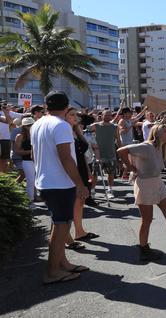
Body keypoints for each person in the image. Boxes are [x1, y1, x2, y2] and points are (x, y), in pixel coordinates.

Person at [32, 91, 90, 284]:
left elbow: (35, 155)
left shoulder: (37, 124)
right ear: (66, 108)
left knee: (58, 226)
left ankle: (61, 262)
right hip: (59, 184)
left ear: (47, 106)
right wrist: (80, 184)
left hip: (46, 182)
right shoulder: (62, 125)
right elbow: (66, 158)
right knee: (61, 226)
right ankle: (53, 271)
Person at [117, 124, 166, 261]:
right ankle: (143, 249)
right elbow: (121, 150)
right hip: (145, 184)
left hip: (158, 183)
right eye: (164, 132)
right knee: (147, 220)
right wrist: (131, 167)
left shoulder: (161, 147)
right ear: (156, 133)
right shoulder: (146, 146)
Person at [65, 107, 99, 241]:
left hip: (82, 169)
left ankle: (79, 231)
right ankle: (67, 237)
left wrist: (88, 170)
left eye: (76, 115)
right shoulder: (63, 130)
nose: (76, 117)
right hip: (71, 170)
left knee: (80, 201)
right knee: (70, 203)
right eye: (72, 115)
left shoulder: (75, 130)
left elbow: (82, 154)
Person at [90, 110, 121, 199]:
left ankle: (110, 190)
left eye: (109, 115)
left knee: (111, 174)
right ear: (102, 116)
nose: (108, 116)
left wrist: (120, 151)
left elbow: (118, 140)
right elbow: (84, 132)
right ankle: (92, 190)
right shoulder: (95, 126)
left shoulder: (115, 127)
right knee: (94, 173)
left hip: (111, 154)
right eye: (106, 115)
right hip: (98, 154)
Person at [14, 117, 36, 208]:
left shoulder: (36, 134)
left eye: (31, 124)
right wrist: (31, 151)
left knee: (35, 181)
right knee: (31, 181)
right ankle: (29, 201)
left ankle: (32, 199)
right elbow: (17, 151)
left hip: (38, 161)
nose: (30, 126)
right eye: (28, 125)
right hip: (27, 161)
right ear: (24, 126)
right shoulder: (20, 136)